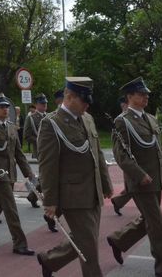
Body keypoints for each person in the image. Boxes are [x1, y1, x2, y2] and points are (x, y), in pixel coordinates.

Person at [36, 77, 113, 277]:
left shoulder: (87, 118)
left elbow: (98, 153)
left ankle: (50, 260)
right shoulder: (51, 123)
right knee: (88, 248)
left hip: (93, 191)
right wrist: (50, 200)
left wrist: (105, 183)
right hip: (74, 195)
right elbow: (48, 166)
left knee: (86, 239)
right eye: (83, 100)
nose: (87, 105)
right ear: (69, 96)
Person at [105, 78, 162, 277]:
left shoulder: (151, 119)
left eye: (146, 94)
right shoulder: (122, 121)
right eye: (141, 94)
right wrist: (139, 175)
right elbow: (121, 156)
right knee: (157, 224)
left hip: (156, 179)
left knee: (149, 219)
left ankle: (119, 240)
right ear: (129, 97)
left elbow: (160, 151)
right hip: (140, 182)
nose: (146, 97)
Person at [0, 93, 36, 256]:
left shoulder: (11, 127)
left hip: (10, 173)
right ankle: (19, 243)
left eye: (7, 107)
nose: (5, 110)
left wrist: (28, 172)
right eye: (2, 107)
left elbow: (18, 153)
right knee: (11, 208)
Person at [23, 93, 48, 208]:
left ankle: (32, 196)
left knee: (46, 176)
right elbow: (27, 135)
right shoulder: (31, 118)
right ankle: (35, 196)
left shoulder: (49, 116)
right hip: (40, 150)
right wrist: (39, 141)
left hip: (50, 149)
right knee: (46, 174)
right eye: (42, 103)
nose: (45, 105)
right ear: (37, 105)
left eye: (45, 103)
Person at [111, 96, 133, 216]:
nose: (125, 107)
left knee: (133, 186)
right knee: (135, 185)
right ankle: (118, 202)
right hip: (128, 160)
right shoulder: (120, 120)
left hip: (134, 159)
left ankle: (118, 202)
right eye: (125, 105)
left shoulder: (130, 118)